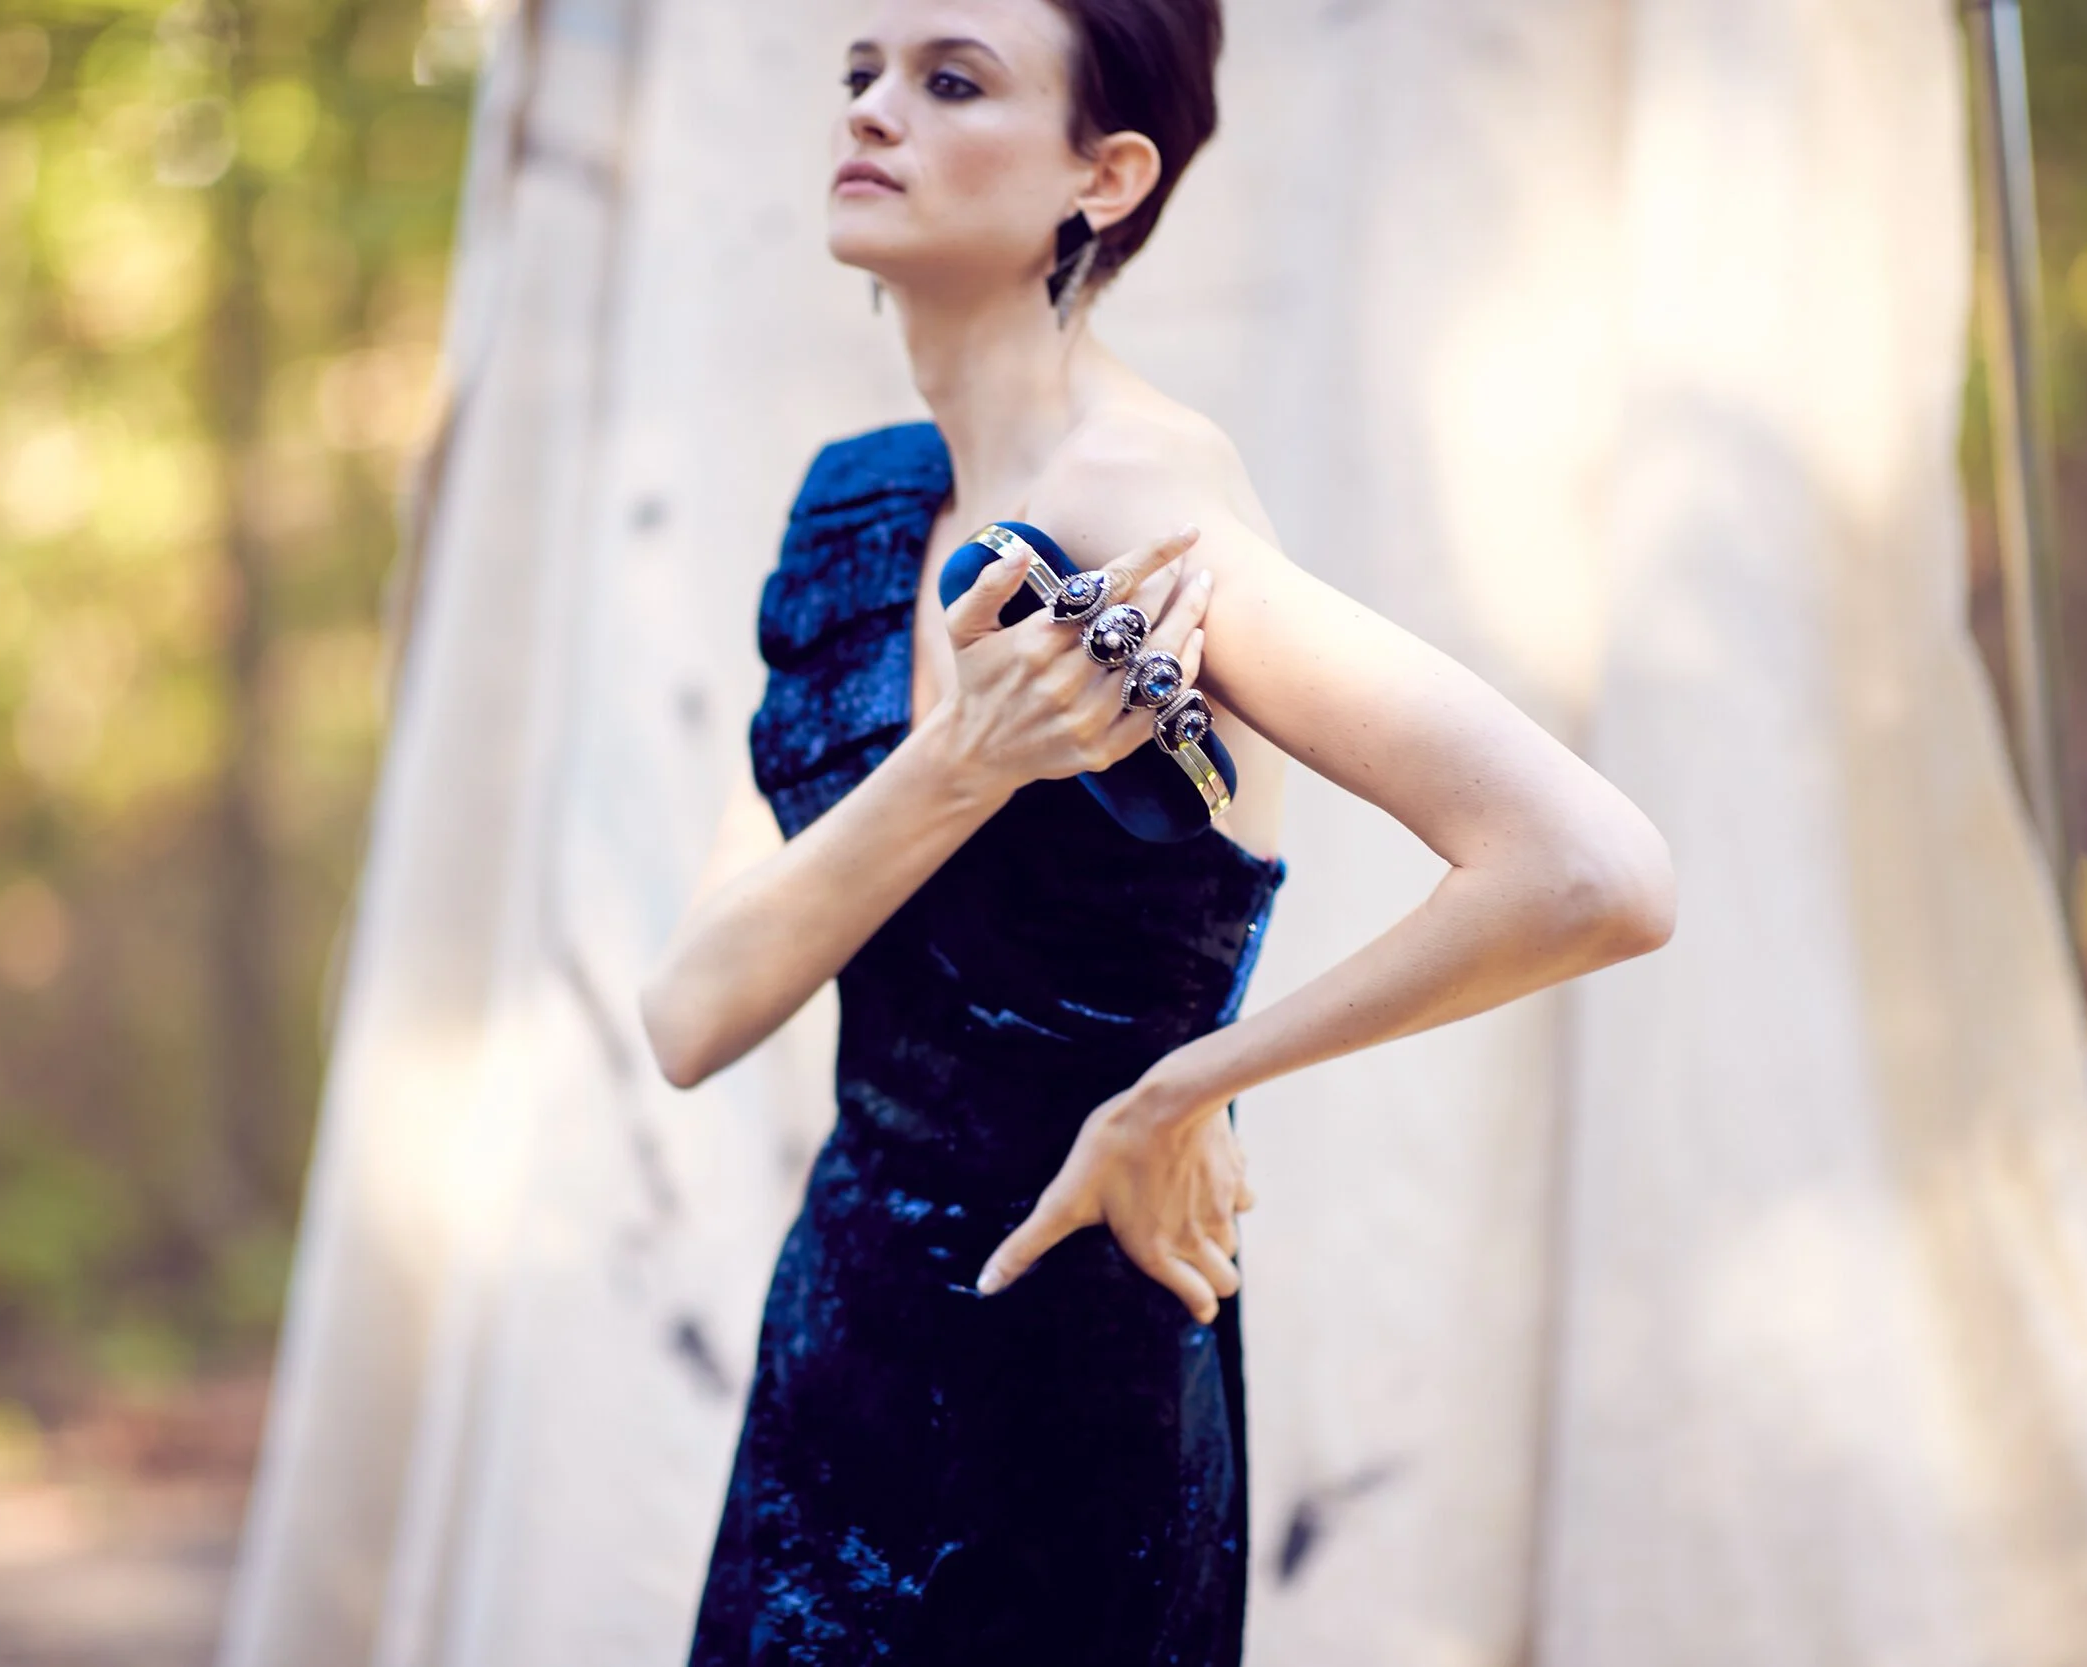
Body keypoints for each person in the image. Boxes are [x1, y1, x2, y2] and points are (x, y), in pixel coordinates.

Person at [637, 1, 1676, 1659]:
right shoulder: (853, 504)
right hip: (837, 1347)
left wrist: (1189, 1087)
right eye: (862, 75)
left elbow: (1592, 868)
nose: (876, 112)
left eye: (952, 79)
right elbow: (693, 1014)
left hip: (1071, 1381)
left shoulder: (1148, 505)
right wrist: (960, 762)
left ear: (1104, 176)